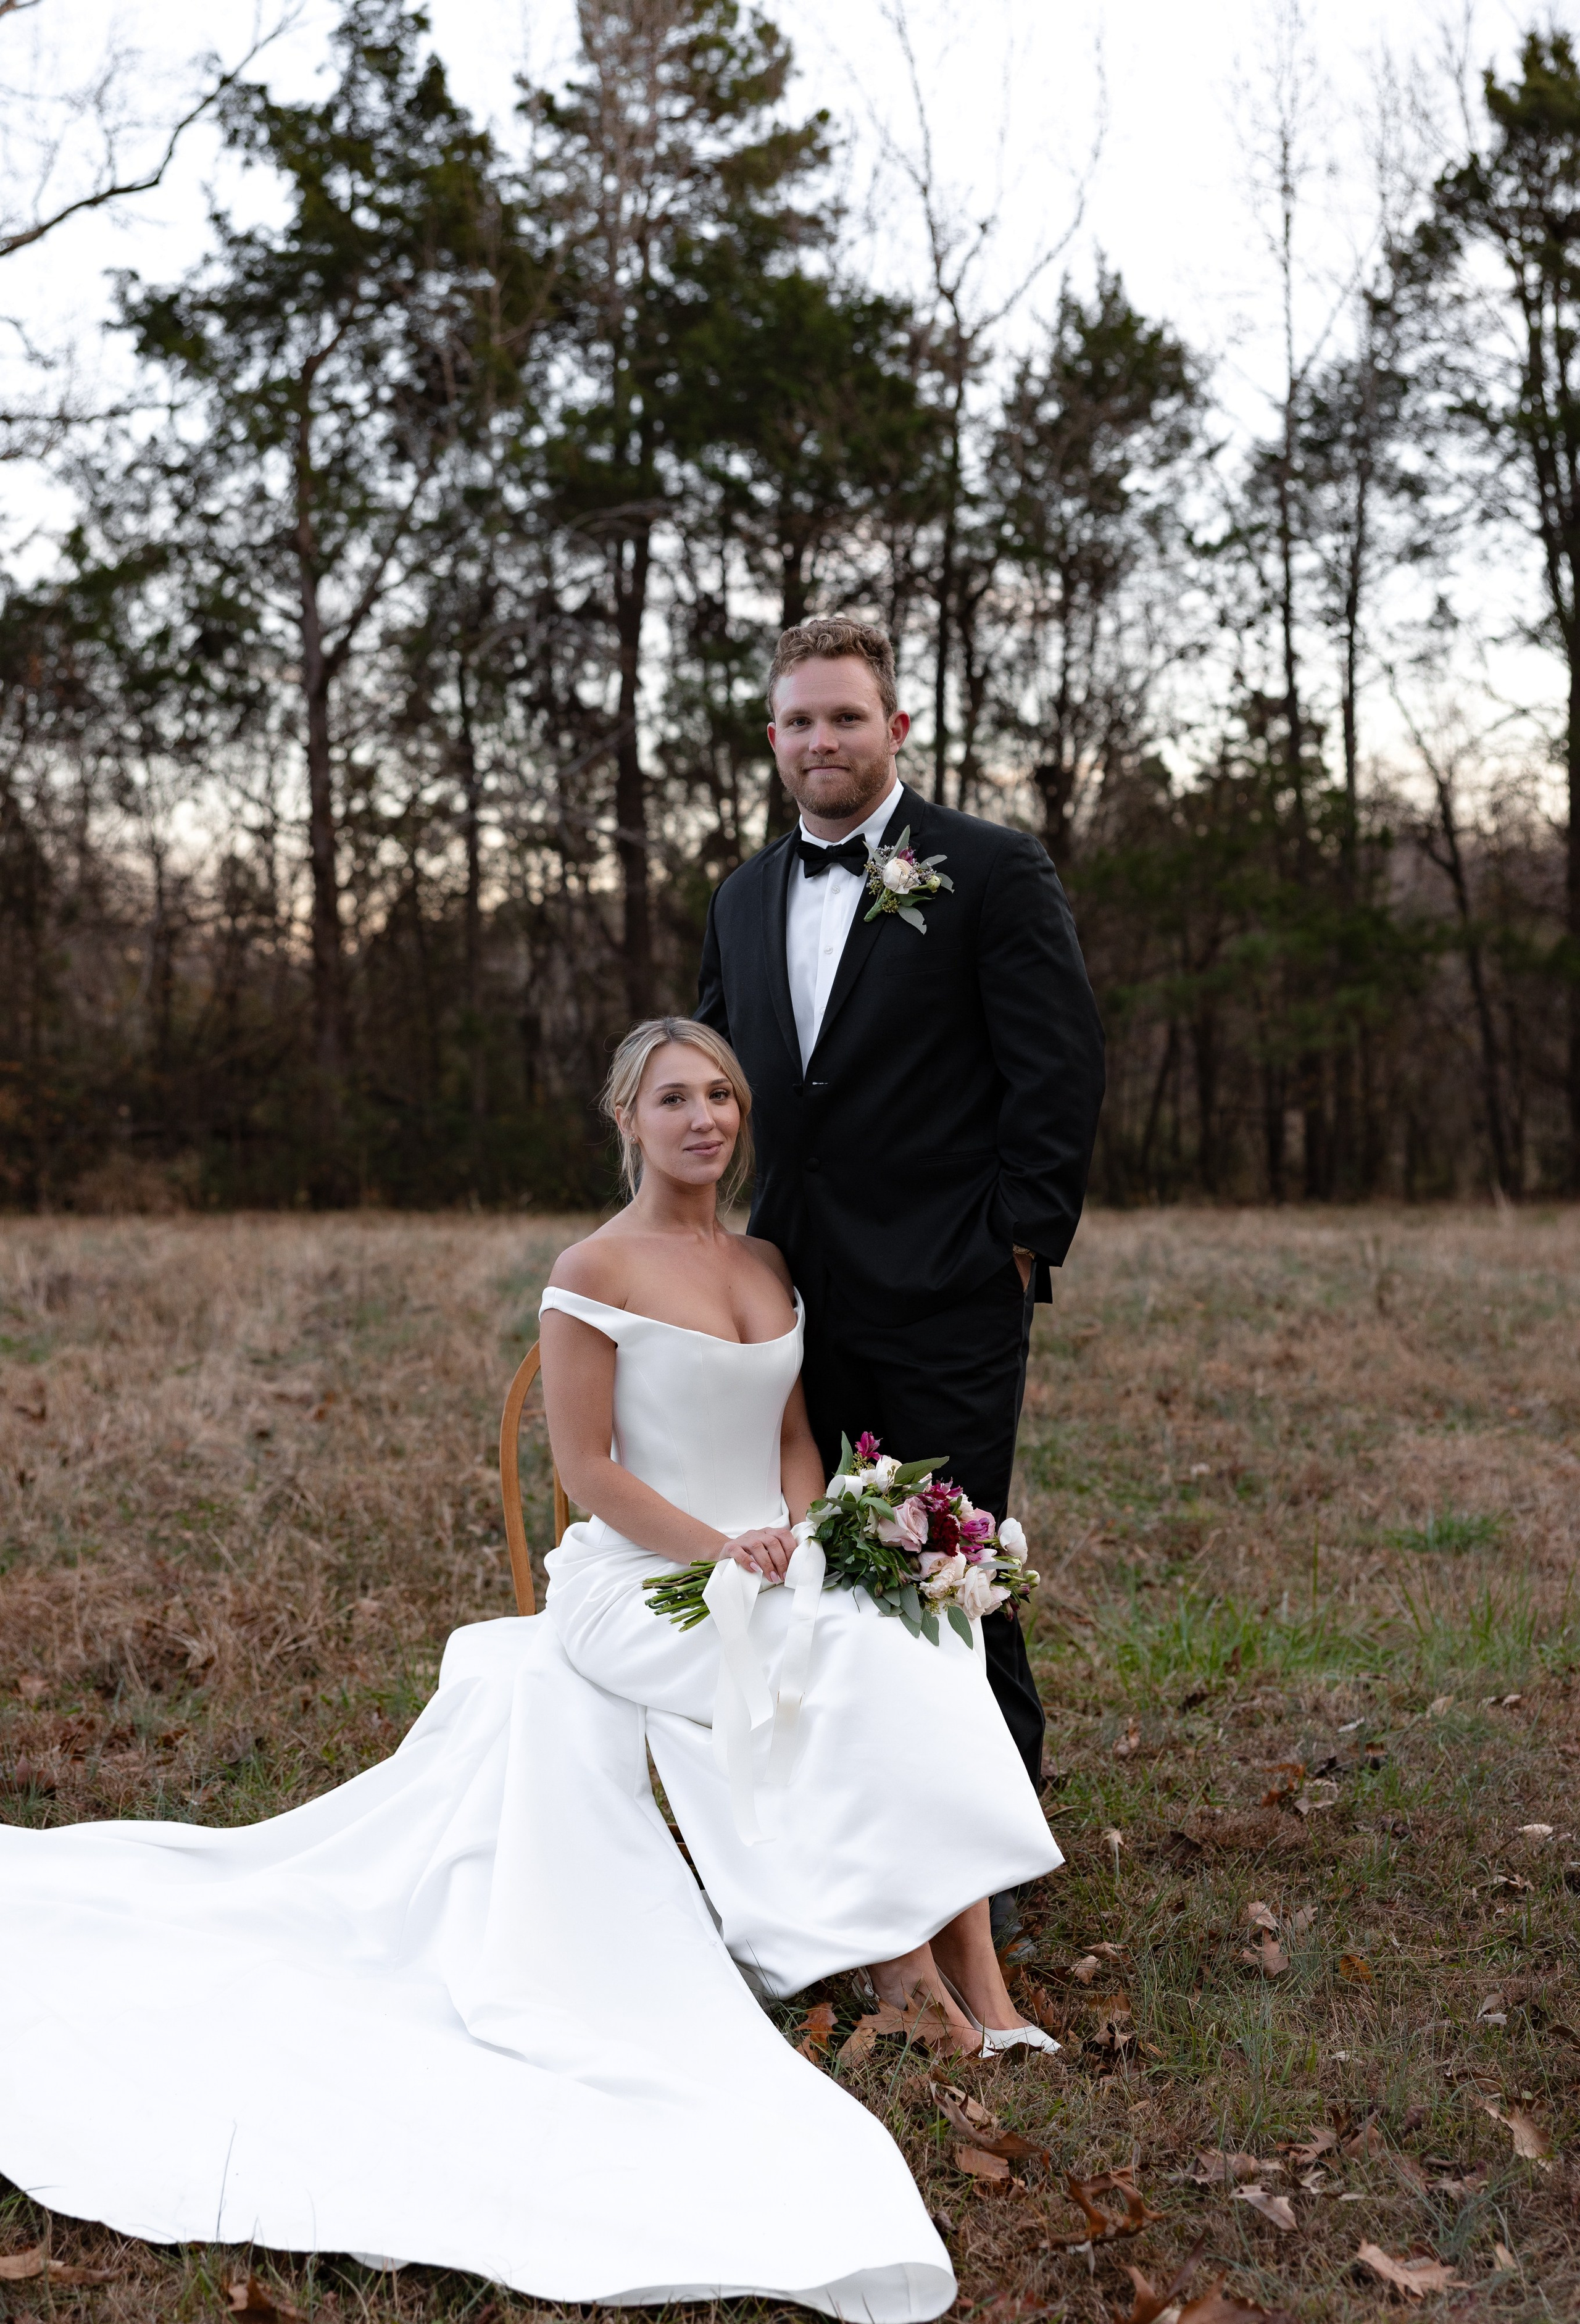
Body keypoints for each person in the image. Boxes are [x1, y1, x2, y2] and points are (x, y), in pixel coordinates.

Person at [0, 1018, 1059, 2322]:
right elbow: (589, 1473)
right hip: (636, 1574)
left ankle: (985, 1982)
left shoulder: (769, 1258)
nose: (703, 1117)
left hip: (769, 1546)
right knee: (815, 1656)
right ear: (626, 1116)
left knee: (910, 1626)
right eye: (673, 1096)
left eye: (721, 1093)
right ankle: (904, 1977)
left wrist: (807, 1529)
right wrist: (729, 1552)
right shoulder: (588, 1268)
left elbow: (792, 1430)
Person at [696, 616, 1105, 1894]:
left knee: (947, 1559)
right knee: (816, 1552)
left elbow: (1057, 1066)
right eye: (800, 721)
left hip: (948, 1288)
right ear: (772, 738)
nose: (822, 739)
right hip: (787, 1295)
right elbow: (719, 1079)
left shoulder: (988, 868)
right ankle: (847, 1835)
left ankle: (989, 1858)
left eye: (846, 717)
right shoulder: (742, 893)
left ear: (895, 729)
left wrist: (1018, 1247)